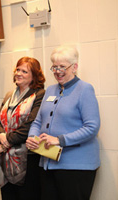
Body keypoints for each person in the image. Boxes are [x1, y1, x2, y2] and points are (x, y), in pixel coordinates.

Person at [26, 46, 100, 200]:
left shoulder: (85, 89)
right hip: (48, 163)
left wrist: (59, 140)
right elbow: (38, 120)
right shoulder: (51, 90)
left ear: (75, 67)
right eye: (54, 67)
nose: (57, 71)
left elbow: (92, 127)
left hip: (76, 166)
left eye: (62, 67)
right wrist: (33, 137)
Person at [0, 57, 46, 199]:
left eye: (24, 71)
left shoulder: (40, 94)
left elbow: (30, 124)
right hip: (6, 160)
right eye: (17, 70)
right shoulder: (10, 95)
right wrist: (1, 136)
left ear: (34, 76)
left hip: (28, 159)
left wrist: (5, 144)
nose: (18, 73)